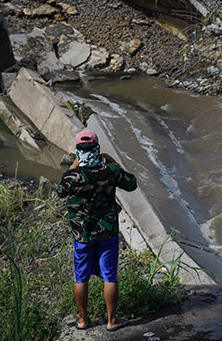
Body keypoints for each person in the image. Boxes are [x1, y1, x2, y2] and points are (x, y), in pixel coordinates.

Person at [56, 130, 138, 331]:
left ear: (78, 151)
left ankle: (83, 320)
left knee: (80, 276)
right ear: (97, 149)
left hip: (82, 235)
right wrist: (112, 162)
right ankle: (112, 321)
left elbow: (60, 190)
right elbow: (132, 183)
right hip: (107, 233)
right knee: (110, 275)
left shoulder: (74, 176)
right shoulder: (110, 171)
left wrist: (76, 163)